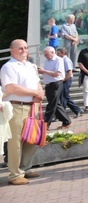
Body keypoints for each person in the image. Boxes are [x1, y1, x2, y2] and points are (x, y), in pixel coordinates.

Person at [0, 39, 45, 185]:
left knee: (31, 139)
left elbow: (37, 82)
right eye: (20, 48)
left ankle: (25, 168)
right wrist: (35, 93)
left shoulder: (30, 66)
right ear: (12, 50)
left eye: (25, 47)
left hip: (32, 106)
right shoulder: (8, 67)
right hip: (17, 106)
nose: (24, 50)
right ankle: (14, 174)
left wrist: (40, 93)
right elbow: (12, 88)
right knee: (16, 142)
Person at [38, 46, 72, 128]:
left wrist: (44, 71)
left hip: (56, 83)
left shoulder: (58, 60)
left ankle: (46, 124)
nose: (45, 56)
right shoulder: (47, 61)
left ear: (53, 52)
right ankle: (66, 121)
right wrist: (42, 71)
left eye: (47, 54)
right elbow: (47, 73)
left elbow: (57, 73)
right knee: (56, 104)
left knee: (51, 105)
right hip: (49, 84)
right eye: (44, 55)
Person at [56, 48, 82, 118]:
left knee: (64, 97)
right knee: (65, 97)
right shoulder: (62, 60)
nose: (57, 55)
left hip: (67, 79)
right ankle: (77, 110)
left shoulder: (66, 60)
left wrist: (63, 80)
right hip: (64, 79)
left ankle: (62, 114)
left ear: (63, 53)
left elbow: (69, 72)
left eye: (58, 53)